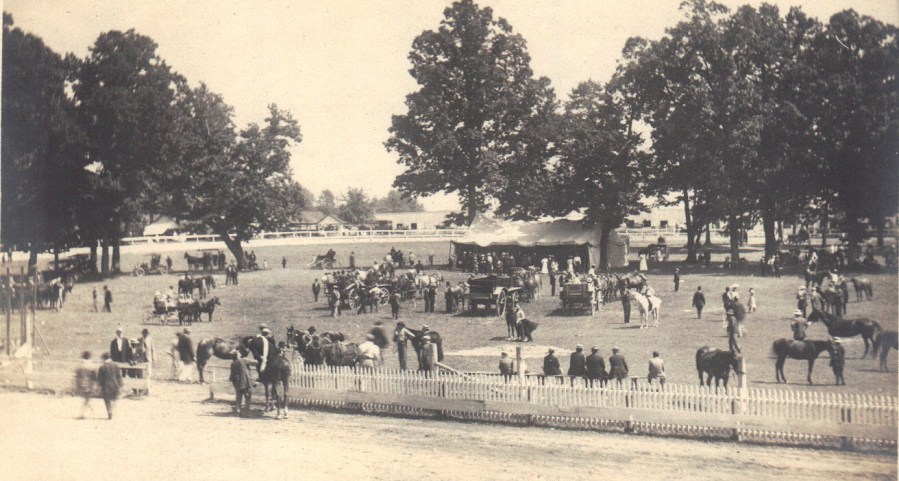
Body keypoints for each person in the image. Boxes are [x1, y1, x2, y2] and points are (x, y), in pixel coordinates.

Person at [97, 353, 123, 420]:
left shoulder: (102, 367)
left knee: (107, 400)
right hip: (115, 385)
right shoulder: (116, 365)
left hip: (106, 386)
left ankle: (109, 412)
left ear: (104, 358)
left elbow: (99, 378)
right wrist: (120, 385)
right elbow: (119, 376)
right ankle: (112, 410)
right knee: (115, 399)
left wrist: (99, 386)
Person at [230, 348, 253, 416]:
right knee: (248, 397)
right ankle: (246, 412)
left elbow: (231, 376)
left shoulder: (233, 363)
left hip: (237, 383)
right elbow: (255, 362)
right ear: (237, 355)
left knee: (239, 397)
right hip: (245, 382)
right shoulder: (244, 360)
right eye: (239, 352)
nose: (240, 353)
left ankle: (238, 411)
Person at [74, 351, 96, 419]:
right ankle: (87, 413)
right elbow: (94, 376)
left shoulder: (80, 365)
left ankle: (84, 413)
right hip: (89, 384)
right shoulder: (92, 365)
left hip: (81, 384)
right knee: (87, 399)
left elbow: (76, 376)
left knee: (86, 399)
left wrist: (76, 384)